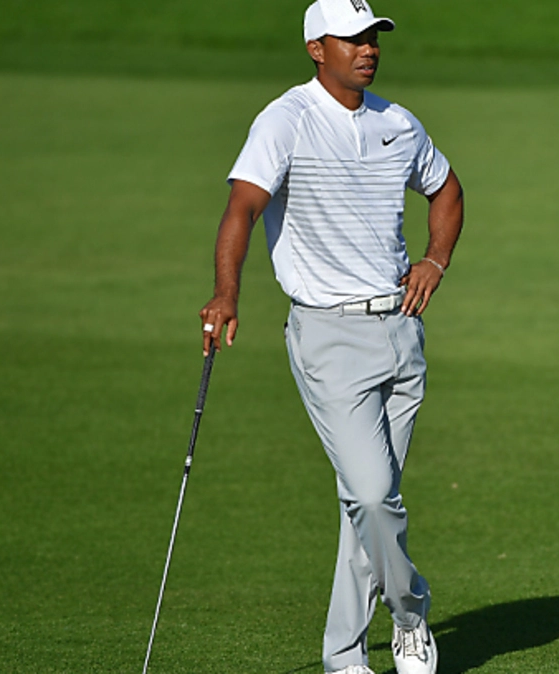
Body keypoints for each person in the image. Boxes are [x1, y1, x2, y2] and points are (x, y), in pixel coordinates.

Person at [198, 1, 463, 672]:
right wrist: (227, 292)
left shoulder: (398, 123)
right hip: (328, 337)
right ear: (317, 48)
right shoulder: (285, 120)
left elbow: (447, 190)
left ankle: (344, 657)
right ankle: (411, 613)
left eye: (373, 37)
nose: (368, 49)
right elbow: (242, 207)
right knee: (372, 495)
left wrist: (434, 261)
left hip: (401, 333)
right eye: (353, 39)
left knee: (368, 506)